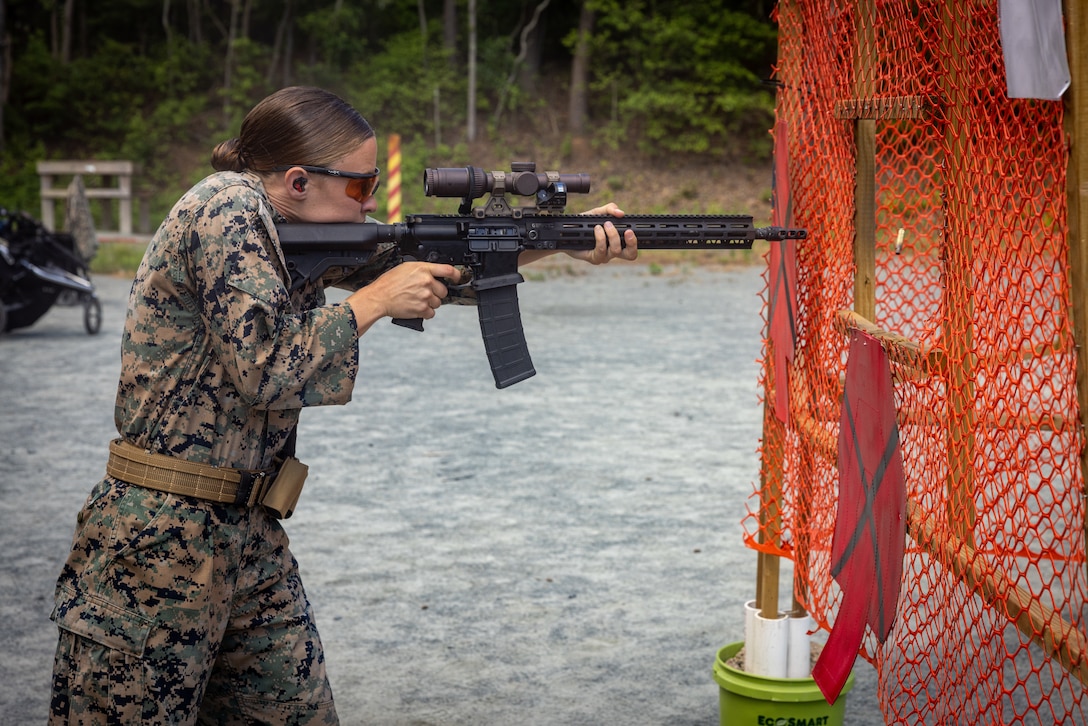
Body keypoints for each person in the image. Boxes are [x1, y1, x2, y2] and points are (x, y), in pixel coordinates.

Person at [48, 85, 638, 724]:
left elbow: (422, 260)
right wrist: (376, 300)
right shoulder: (226, 208)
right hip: (157, 542)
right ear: (299, 180)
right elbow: (268, 367)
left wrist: (558, 239)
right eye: (360, 186)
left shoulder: (291, 224)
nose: (368, 200)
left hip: (249, 535)